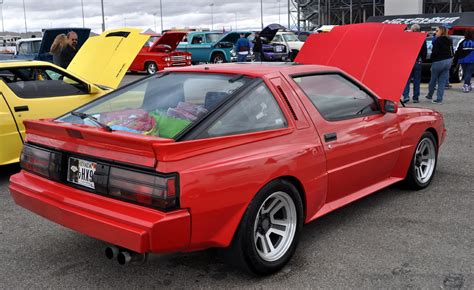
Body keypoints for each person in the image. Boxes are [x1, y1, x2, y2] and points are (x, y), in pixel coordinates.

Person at [425, 26, 453, 104]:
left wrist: (432, 59)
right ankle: (439, 99)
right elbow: (452, 51)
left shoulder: (437, 41)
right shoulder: (449, 40)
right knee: (442, 81)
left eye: (437, 31)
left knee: (433, 79)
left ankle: (430, 95)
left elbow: (435, 52)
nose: (435, 32)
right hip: (448, 61)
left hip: (438, 61)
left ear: (441, 32)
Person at [402, 24, 427, 103]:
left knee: (406, 80)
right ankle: (416, 97)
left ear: (412, 30)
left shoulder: (407, 38)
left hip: (408, 60)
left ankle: (406, 96)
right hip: (418, 60)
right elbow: (424, 51)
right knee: (417, 80)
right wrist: (422, 59)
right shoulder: (422, 38)